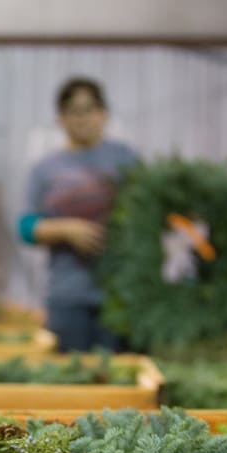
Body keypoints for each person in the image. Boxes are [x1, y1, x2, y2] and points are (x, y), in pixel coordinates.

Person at [18, 77, 138, 352]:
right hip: (68, 294)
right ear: (60, 119)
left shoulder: (126, 160)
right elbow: (25, 227)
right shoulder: (45, 168)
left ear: (103, 114)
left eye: (89, 110)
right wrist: (66, 230)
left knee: (119, 377)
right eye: (73, 111)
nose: (82, 119)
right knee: (74, 376)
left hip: (120, 293)